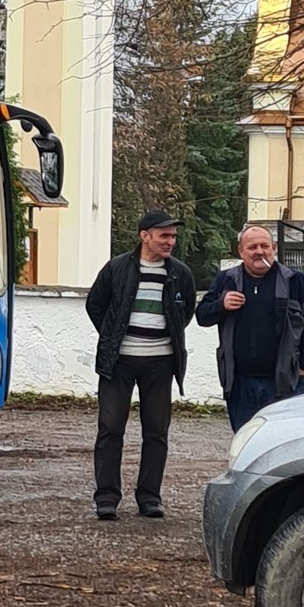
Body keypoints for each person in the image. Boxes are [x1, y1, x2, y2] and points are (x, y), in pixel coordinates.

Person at [85, 208, 196, 520]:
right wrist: (114, 335)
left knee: (157, 432)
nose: (170, 241)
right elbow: (96, 304)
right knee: (110, 429)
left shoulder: (180, 273)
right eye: (164, 235)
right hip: (117, 363)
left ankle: (150, 497)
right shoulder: (117, 268)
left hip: (161, 363)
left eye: (173, 236)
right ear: (144, 236)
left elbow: (184, 312)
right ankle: (106, 498)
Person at [195, 223, 304, 431]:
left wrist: (303, 368)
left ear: (274, 248)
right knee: (245, 441)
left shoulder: (295, 282)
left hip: (284, 381)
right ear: (241, 252)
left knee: (282, 440)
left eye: (264, 246)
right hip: (240, 383)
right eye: (252, 247)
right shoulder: (227, 280)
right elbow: (202, 316)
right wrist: (221, 305)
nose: (259, 251)